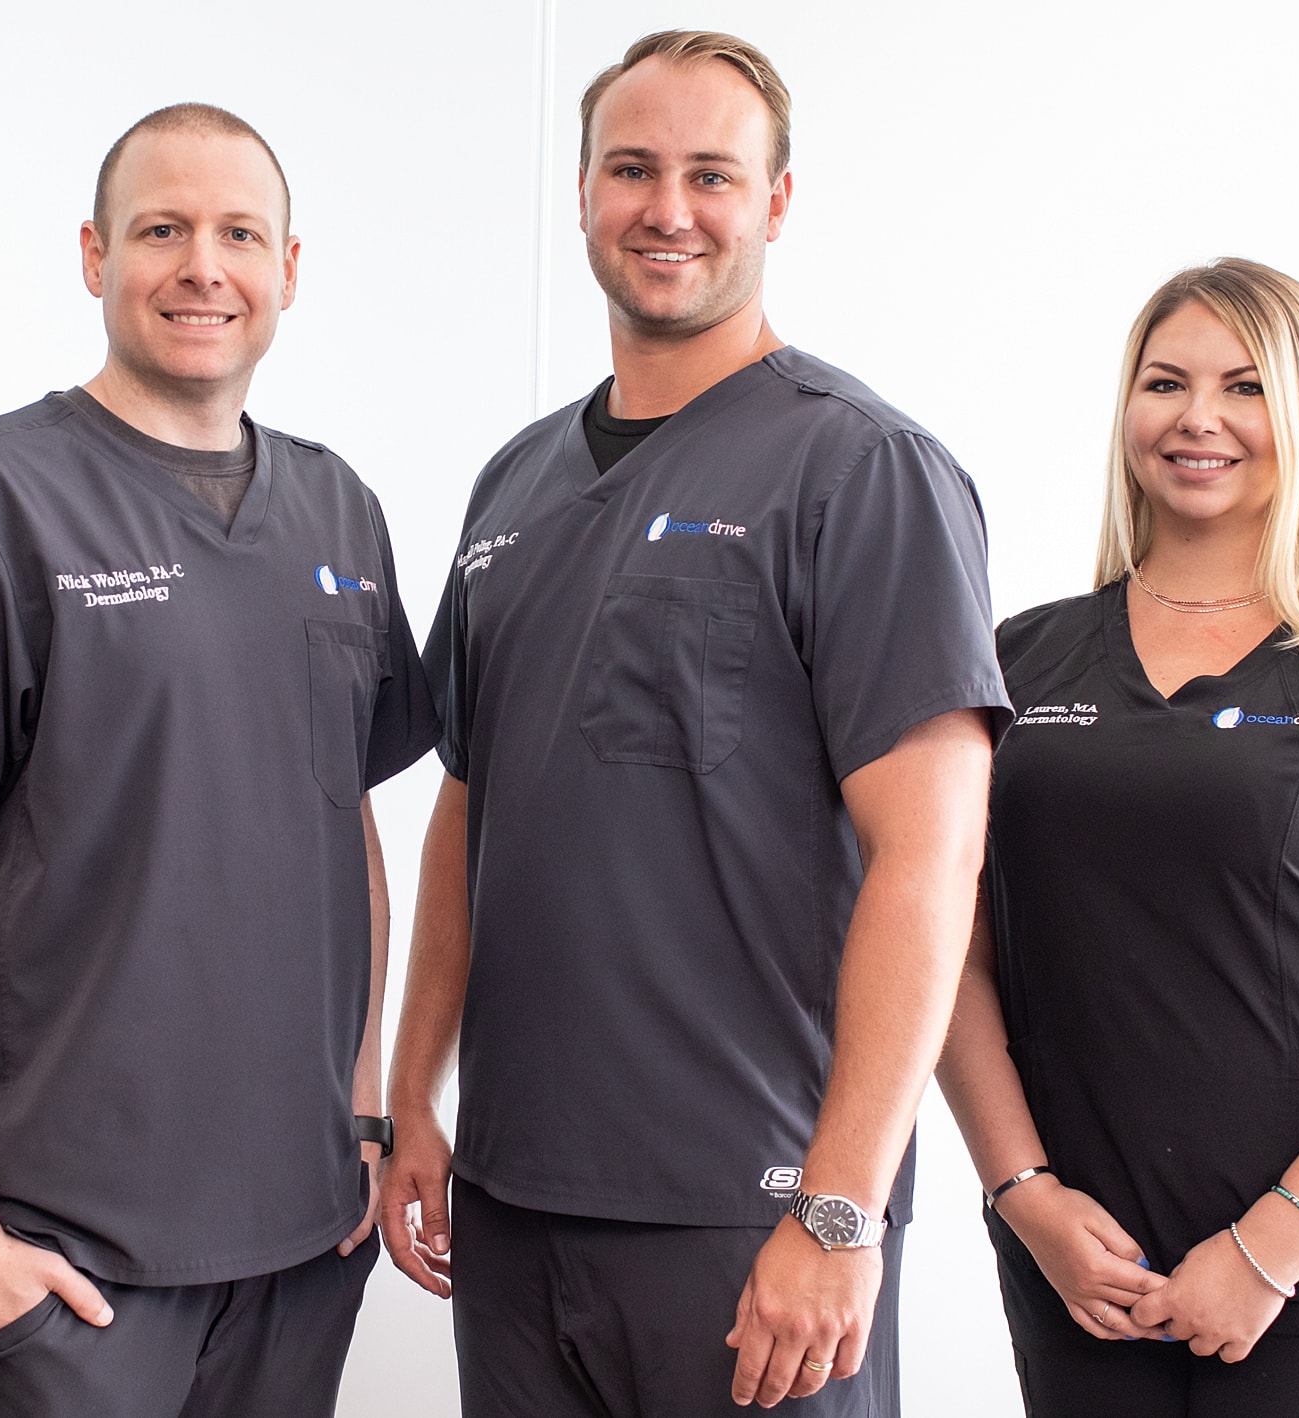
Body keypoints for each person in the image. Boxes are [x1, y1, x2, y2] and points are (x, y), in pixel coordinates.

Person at [382, 30, 1008, 1418]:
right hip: (516, 1197)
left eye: (711, 175)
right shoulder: (512, 486)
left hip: (753, 1209)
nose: (667, 208)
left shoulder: (864, 471)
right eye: (631, 169)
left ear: (775, 202)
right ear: (583, 194)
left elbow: (931, 858)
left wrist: (840, 1206)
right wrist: (410, 1089)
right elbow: (469, 810)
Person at [0, 102, 434, 1418]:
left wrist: (364, 1109)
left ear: (288, 269)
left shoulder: (339, 509)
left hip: (301, 1232)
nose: (202, 267)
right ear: (95, 255)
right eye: (162, 230)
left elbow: (344, 824)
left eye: (238, 235)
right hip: (65, 1247)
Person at [933, 258, 1299, 1418]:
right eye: (1163, 382)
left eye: (1244, 386)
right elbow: (947, 958)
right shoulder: (1017, 662)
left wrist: (1269, 1247)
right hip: (1088, 1273)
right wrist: (1022, 1192)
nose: (1196, 416)